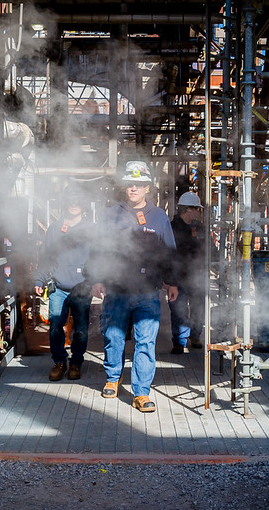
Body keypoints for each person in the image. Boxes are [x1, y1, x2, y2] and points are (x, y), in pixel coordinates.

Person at [86, 160, 178, 413]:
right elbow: (97, 248)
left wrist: (171, 282)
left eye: (138, 184)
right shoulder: (110, 214)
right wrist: (96, 278)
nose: (133, 188)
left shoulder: (159, 217)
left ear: (148, 186)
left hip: (148, 291)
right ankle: (113, 378)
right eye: (129, 184)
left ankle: (141, 392)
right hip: (117, 289)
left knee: (145, 342)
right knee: (113, 337)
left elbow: (169, 252)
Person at [34, 188, 93, 381]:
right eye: (70, 200)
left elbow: (99, 257)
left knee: (82, 329)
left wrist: (96, 280)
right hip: (58, 287)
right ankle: (59, 361)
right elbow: (45, 256)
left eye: (77, 200)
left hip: (82, 287)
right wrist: (39, 279)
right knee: (55, 326)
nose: (73, 204)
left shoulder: (91, 229)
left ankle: (76, 362)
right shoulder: (54, 228)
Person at [169, 191, 205, 354]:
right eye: (197, 209)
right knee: (178, 308)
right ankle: (179, 341)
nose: (198, 212)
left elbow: (208, 249)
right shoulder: (172, 227)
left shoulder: (199, 228)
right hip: (178, 275)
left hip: (197, 275)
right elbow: (166, 252)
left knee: (198, 306)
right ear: (189, 209)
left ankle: (195, 336)